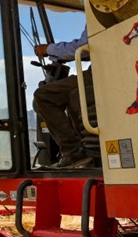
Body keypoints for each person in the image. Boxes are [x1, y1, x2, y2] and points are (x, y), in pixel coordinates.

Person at [33, 28, 94, 169]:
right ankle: (84, 151)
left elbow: (83, 46)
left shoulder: (98, 12)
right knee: (73, 94)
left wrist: (48, 49)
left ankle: (73, 153)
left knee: (44, 96)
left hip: (100, 71)